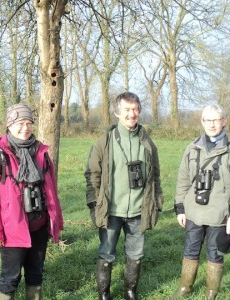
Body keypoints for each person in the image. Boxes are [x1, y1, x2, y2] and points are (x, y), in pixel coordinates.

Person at [84, 92, 163, 300]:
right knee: (106, 253)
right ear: (117, 112)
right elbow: (92, 174)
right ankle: (104, 294)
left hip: (139, 210)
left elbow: (155, 175)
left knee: (136, 255)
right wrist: (94, 205)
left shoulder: (147, 141)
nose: (132, 114)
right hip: (111, 211)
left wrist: (157, 201)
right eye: (127, 110)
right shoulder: (104, 141)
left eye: (135, 109)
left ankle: (130, 292)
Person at [0, 103, 63, 300]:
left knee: (36, 275)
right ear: (9, 125)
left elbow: (52, 191)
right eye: (19, 123)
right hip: (12, 230)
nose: (25, 127)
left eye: (28, 123)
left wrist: (56, 222)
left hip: (39, 226)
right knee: (10, 278)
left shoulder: (42, 153)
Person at [170, 104, 230, 300]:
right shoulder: (192, 147)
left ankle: (211, 293)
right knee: (190, 249)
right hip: (194, 211)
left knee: (215, 253)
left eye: (216, 120)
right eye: (208, 120)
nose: (212, 124)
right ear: (202, 122)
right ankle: (184, 288)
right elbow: (183, 180)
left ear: (224, 121)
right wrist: (180, 208)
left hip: (220, 214)